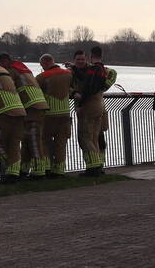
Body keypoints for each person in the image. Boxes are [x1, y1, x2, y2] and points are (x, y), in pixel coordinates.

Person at [0, 53, 49, 180]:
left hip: (31, 107)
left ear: (5, 61)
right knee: (27, 139)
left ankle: (39, 170)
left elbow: (6, 86)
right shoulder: (22, 67)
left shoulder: (11, 71)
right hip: (38, 105)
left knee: (34, 140)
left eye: (0, 65)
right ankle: (24, 169)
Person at [70, 47, 107, 176]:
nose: (81, 61)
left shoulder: (94, 69)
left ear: (90, 56)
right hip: (99, 107)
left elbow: (88, 86)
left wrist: (79, 102)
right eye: (78, 59)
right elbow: (87, 79)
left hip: (89, 107)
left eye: (82, 59)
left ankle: (94, 167)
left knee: (85, 136)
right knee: (94, 138)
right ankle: (97, 166)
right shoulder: (101, 69)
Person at [38, 54, 73, 177]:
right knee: (61, 143)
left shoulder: (42, 77)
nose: (42, 67)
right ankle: (59, 171)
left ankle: (46, 168)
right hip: (65, 114)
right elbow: (73, 89)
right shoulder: (68, 74)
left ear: (45, 63)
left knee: (44, 141)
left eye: (42, 65)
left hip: (49, 114)